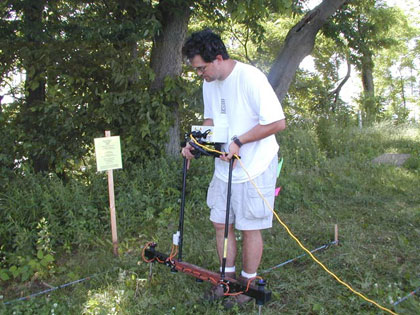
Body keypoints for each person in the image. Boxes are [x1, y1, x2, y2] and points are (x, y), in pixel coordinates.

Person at [181, 29, 286, 307]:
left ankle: (247, 285)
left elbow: (277, 122)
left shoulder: (251, 78)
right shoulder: (209, 83)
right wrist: (195, 143)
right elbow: (210, 121)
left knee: (250, 226)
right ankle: (226, 282)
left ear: (217, 58)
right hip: (224, 166)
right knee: (221, 223)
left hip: (256, 164)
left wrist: (239, 140)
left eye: (201, 68)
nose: (199, 74)